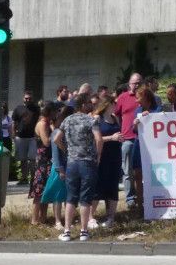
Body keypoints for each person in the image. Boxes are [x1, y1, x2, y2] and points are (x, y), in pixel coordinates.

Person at [57, 94, 102, 242]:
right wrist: (98, 156)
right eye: (89, 102)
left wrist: (66, 149)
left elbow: (56, 138)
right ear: (83, 105)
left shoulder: (67, 120)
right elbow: (99, 139)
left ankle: (67, 231)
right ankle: (83, 231)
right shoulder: (91, 120)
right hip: (88, 162)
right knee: (85, 198)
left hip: (72, 162)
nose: (91, 104)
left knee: (71, 197)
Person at [91, 94, 123, 228]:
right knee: (98, 187)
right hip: (101, 156)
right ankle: (90, 216)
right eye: (114, 103)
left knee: (112, 186)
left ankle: (111, 216)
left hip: (115, 157)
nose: (116, 105)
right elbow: (94, 139)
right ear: (107, 105)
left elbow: (119, 134)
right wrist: (112, 138)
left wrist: (119, 138)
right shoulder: (97, 119)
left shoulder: (115, 118)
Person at [113, 73, 143, 208]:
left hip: (144, 139)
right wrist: (122, 129)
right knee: (127, 171)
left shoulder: (145, 96)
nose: (136, 85)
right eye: (134, 83)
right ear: (129, 83)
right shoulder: (122, 97)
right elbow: (116, 115)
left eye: (139, 83)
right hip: (127, 139)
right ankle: (130, 199)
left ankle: (143, 196)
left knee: (142, 171)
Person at [29, 103, 57, 223]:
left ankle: (43, 218)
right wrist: (55, 132)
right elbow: (46, 142)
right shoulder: (42, 124)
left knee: (46, 191)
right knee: (38, 192)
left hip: (48, 160)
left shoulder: (48, 124)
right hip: (42, 160)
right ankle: (35, 220)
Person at [41, 109, 68, 230]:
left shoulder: (65, 131)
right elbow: (55, 154)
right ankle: (57, 221)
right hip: (59, 168)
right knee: (58, 196)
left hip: (68, 166)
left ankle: (67, 220)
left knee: (67, 195)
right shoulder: (56, 132)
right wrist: (60, 169)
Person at [12, 91, 39, 184]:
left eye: (29, 98)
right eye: (26, 98)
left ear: (32, 99)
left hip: (33, 137)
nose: (28, 100)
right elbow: (14, 122)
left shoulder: (36, 109)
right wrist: (14, 135)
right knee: (22, 159)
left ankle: (33, 178)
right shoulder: (18, 108)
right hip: (20, 137)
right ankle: (23, 178)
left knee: (32, 159)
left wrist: (37, 134)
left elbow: (39, 121)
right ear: (23, 98)